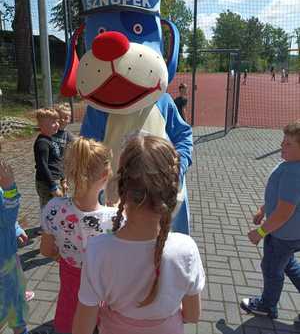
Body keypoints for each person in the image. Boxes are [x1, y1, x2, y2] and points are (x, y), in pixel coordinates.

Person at [73, 135, 205, 334]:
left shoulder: (97, 249)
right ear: (172, 190)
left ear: (122, 188)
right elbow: (193, 315)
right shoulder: (186, 248)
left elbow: (82, 328)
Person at [40, 137, 117, 334]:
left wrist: (62, 256)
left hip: (69, 276)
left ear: (70, 172)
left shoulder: (53, 208)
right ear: (106, 174)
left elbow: (46, 250)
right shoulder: (114, 218)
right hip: (102, 289)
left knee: (69, 315)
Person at [240, 121, 300, 327]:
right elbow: (277, 198)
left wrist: (261, 232)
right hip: (289, 233)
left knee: (272, 267)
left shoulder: (293, 173)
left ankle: (267, 306)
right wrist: (263, 209)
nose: (282, 146)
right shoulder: (290, 165)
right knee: (287, 264)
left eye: (289, 144)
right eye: (283, 141)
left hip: (282, 233)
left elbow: (284, 212)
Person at [0, 159, 28, 334]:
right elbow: (6, 217)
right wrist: (10, 188)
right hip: (4, 260)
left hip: (7, 252)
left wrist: (16, 228)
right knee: (14, 306)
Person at [33, 108, 63, 211]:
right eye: (53, 122)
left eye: (57, 121)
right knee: (49, 211)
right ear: (41, 125)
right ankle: (47, 227)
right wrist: (53, 187)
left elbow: (57, 161)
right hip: (47, 183)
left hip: (55, 179)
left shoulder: (50, 139)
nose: (57, 125)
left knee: (57, 210)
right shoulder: (42, 143)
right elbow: (42, 166)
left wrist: (63, 178)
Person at [53, 103, 75, 195]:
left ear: (69, 120)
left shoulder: (68, 135)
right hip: (51, 172)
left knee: (63, 198)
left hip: (62, 172)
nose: (62, 120)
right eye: (60, 117)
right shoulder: (50, 132)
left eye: (66, 118)